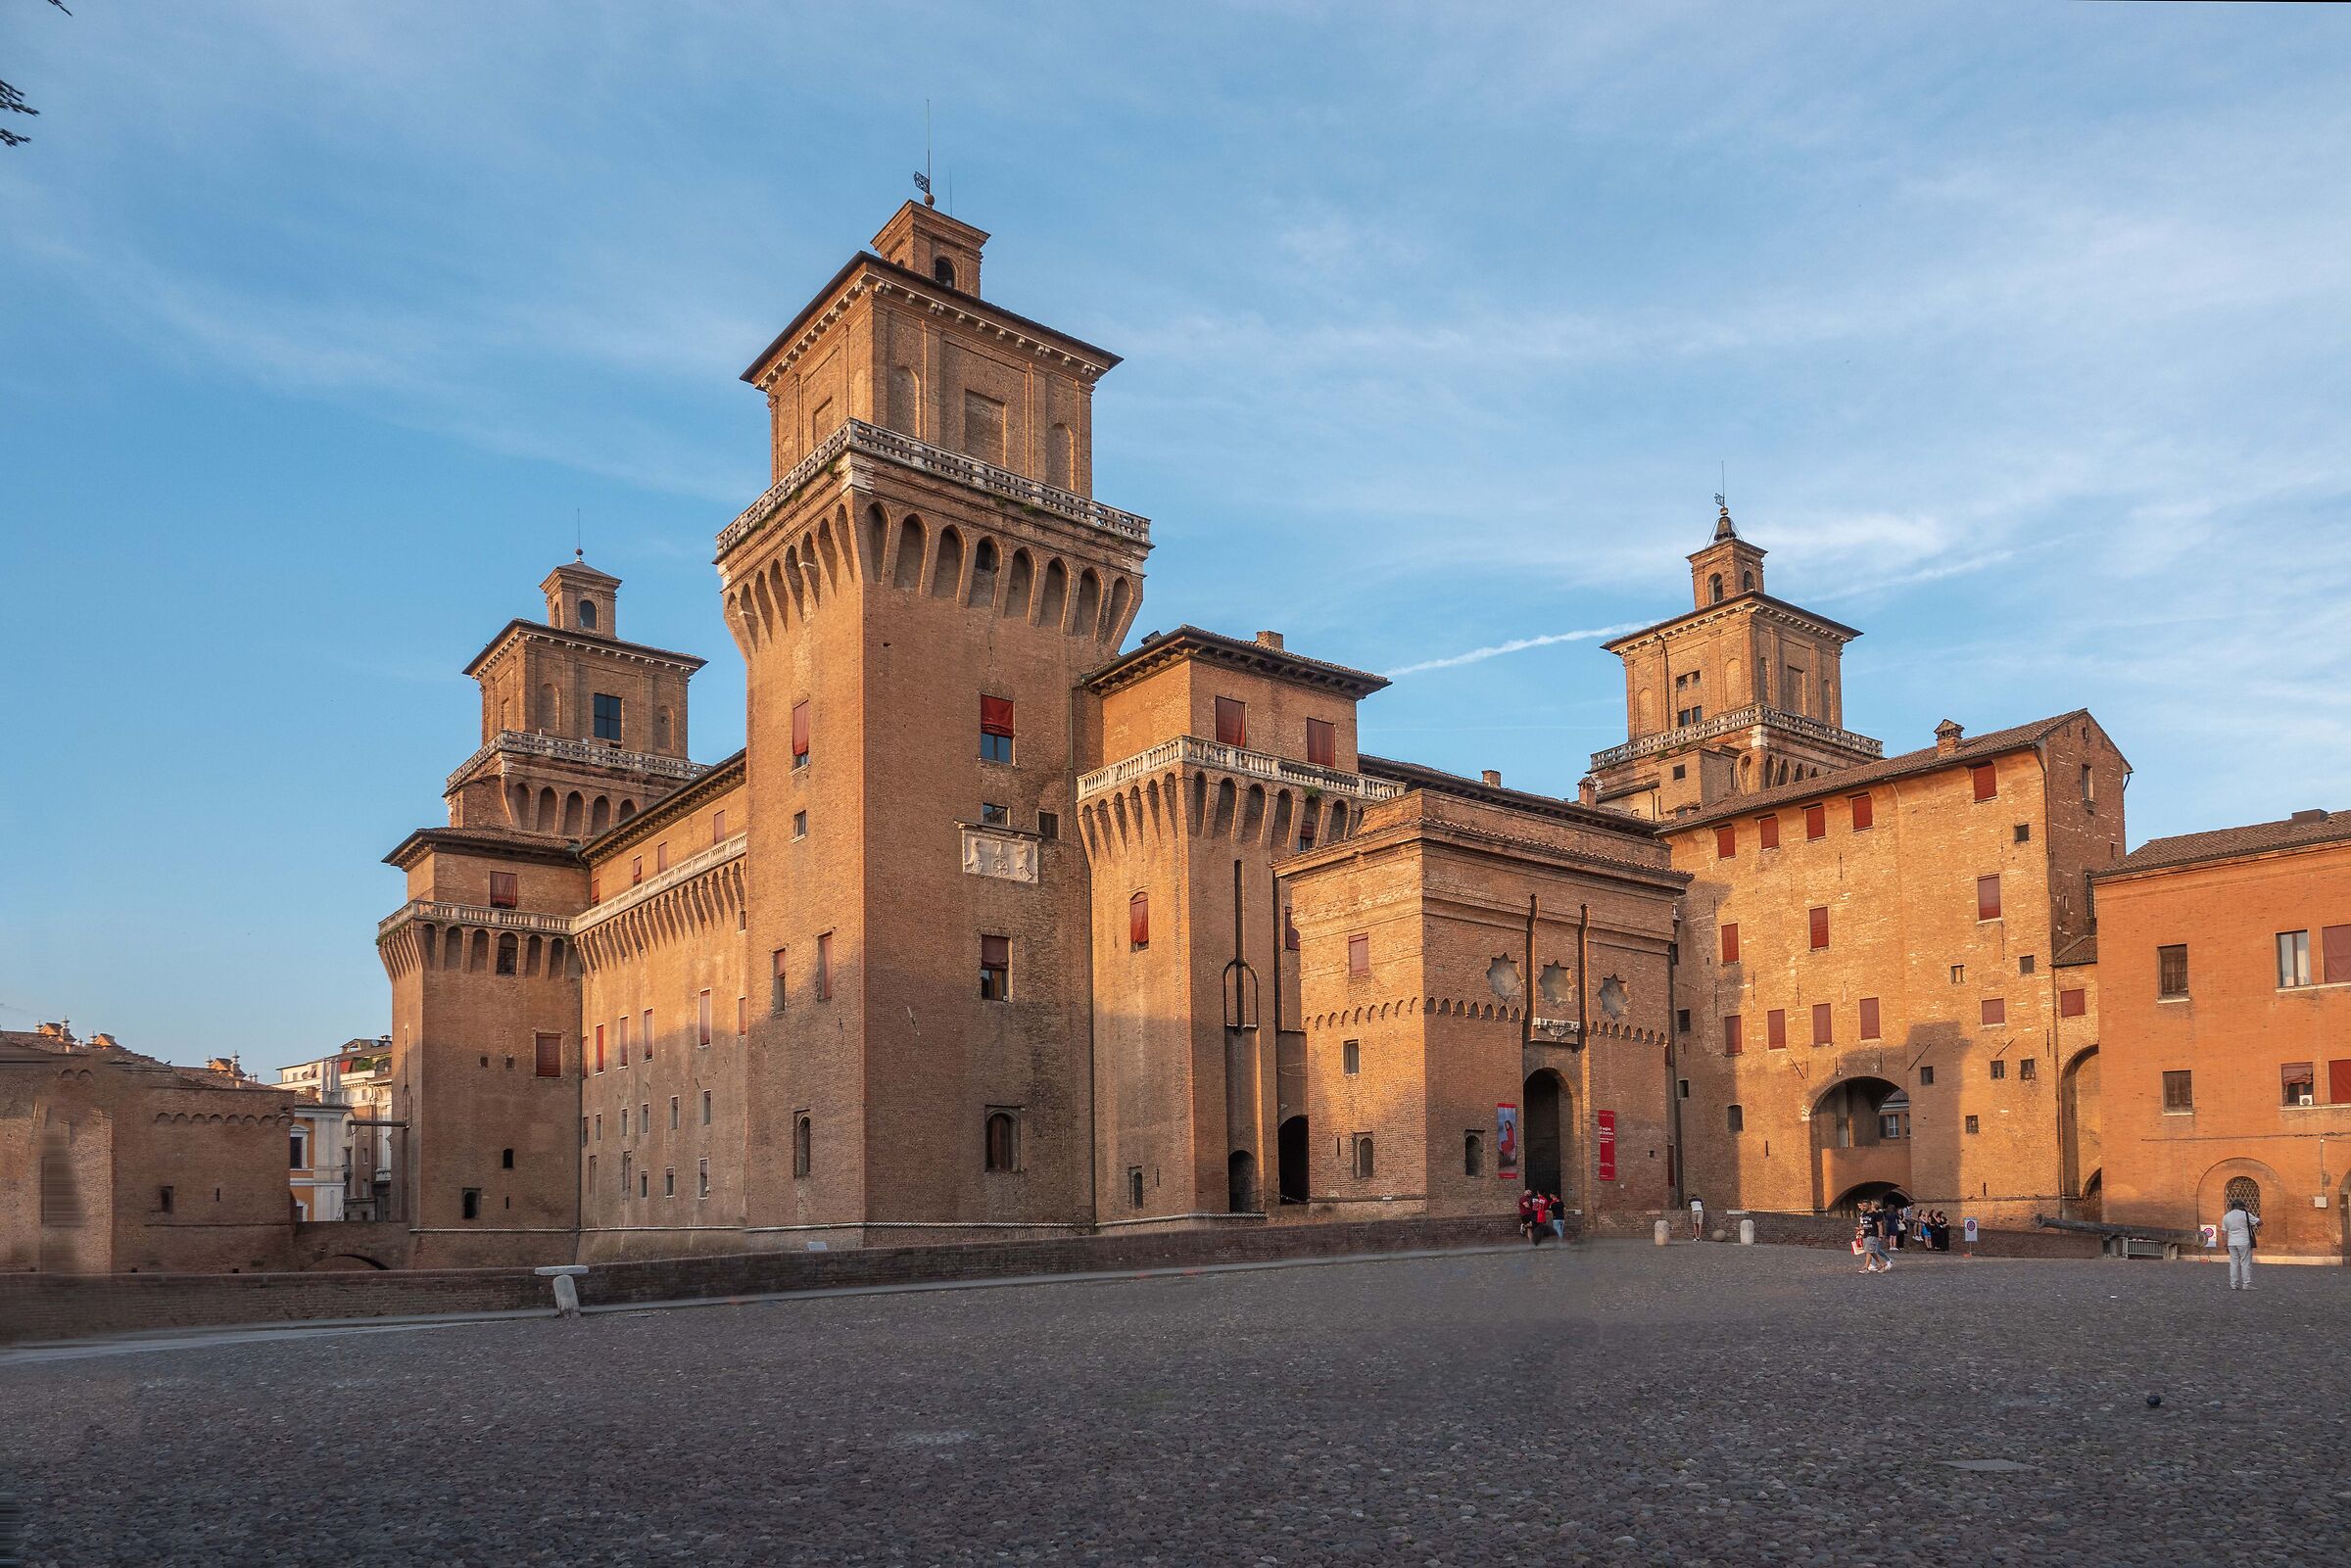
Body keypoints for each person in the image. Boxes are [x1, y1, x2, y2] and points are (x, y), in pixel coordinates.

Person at [2222, 1198, 2261, 1290]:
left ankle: (2233, 1284)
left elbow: (2224, 1232)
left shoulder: (2226, 1216)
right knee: (2245, 1263)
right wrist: (2247, 1212)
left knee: (2233, 1263)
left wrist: (2225, 1244)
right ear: (2242, 1206)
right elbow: (2260, 1222)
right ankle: (2246, 1284)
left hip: (2231, 1242)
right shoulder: (2245, 1214)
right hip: (2244, 1241)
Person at [1859, 1202, 1893, 1273]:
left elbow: (1879, 1225)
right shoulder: (1864, 1214)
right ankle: (1883, 1265)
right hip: (1866, 1234)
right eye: (1862, 1206)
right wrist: (1860, 1229)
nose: (1863, 1207)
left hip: (1873, 1234)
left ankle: (1866, 1268)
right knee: (1871, 1252)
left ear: (1869, 1206)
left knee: (1869, 1251)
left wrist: (1880, 1235)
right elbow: (1865, 1224)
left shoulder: (1875, 1214)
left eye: (1865, 1206)